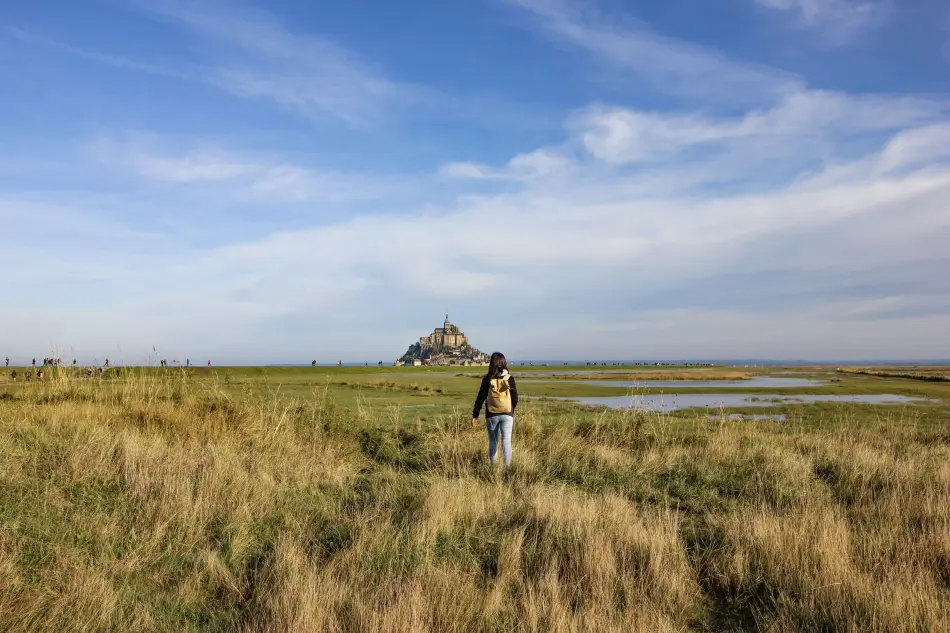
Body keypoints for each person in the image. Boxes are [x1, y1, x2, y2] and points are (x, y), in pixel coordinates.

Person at [471, 352, 519, 468]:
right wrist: (510, 410)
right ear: (503, 363)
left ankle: (493, 469)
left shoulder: (487, 379)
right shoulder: (510, 378)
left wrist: (475, 415)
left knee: (493, 442)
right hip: (507, 413)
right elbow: (515, 398)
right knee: (506, 442)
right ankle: (508, 469)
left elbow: (480, 398)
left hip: (491, 414)